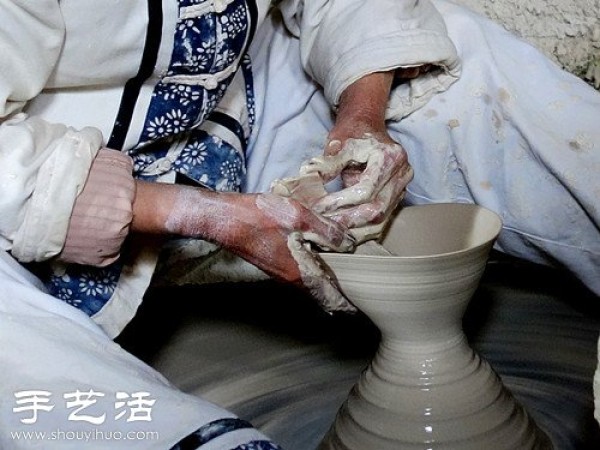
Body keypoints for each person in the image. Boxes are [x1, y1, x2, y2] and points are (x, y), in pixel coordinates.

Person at [1, 0, 599, 447]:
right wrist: (198, 215)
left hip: (232, 121)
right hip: (31, 193)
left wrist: (362, 114)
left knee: (461, 59)